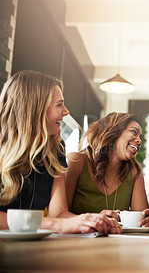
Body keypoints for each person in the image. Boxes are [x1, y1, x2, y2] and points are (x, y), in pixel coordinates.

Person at [0, 70, 120, 234]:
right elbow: (56, 223)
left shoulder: (55, 149)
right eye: (59, 104)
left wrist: (92, 220)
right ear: (35, 108)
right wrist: (54, 225)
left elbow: (59, 214)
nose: (66, 111)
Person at [65, 112, 149, 228]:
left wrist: (147, 222)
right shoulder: (76, 161)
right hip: (75, 242)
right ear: (113, 132)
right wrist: (95, 220)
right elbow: (59, 216)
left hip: (117, 243)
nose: (139, 141)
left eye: (140, 138)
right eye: (134, 132)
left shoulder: (134, 171)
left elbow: (141, 221)